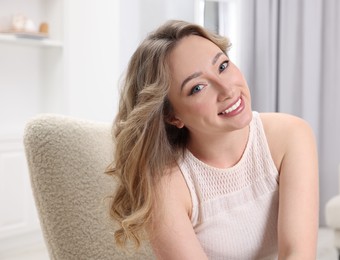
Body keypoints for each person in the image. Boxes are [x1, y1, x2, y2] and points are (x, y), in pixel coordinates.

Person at [106, 20, 319, 260]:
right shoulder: (168, 186)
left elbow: (297, 253)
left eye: (223, 66)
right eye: (197, 88)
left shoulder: (291, 135)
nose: (227, 89)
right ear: (172, 116)